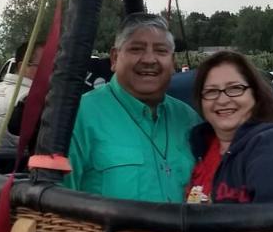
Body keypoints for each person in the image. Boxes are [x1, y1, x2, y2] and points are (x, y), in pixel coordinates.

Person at [65, 13, 200, 202]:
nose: (149, 60)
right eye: (136, 49)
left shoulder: (189, 119)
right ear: (114, 58)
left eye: (161, 51)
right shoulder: (79, 116)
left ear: (173, 63)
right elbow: (56, 202)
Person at [186, 51, 273, 204]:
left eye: (235, 88)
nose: (223, 100)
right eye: (211, 91)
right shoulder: (201, 147)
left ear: (256, 95)